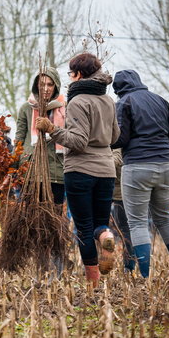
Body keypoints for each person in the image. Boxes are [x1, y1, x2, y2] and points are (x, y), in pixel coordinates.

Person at [36, 53, 119, 288]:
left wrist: (53, 129)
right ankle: (106, 236)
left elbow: (79, 141)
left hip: (80, 171)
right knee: (99, 224)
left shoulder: (78, 101)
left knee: (83, 228)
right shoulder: (108, 101)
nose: (70, 78)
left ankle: (93, 283)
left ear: (79, 74)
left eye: (71, 74)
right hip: (106, 170)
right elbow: (115, 136)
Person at [111, 70, 169, 278]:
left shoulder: (124, 103)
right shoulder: (161, 100)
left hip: (137, 167)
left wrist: (109, 141)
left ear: (118, 89)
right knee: (164, 218)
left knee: (138, 222)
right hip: (166, 165)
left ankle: (145, 276)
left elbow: (121, 139)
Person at [15, 67, 66, 206]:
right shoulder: (26, 108)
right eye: (42, 84)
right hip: (30, 171)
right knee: (29, 218)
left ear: (56, 86)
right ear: (36, 86)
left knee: (53, 216)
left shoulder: (64, 109)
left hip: (56, 171)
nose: (46, 88)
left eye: (50, 84)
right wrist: (14, 169)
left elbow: (68, 138)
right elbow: (19, 140)